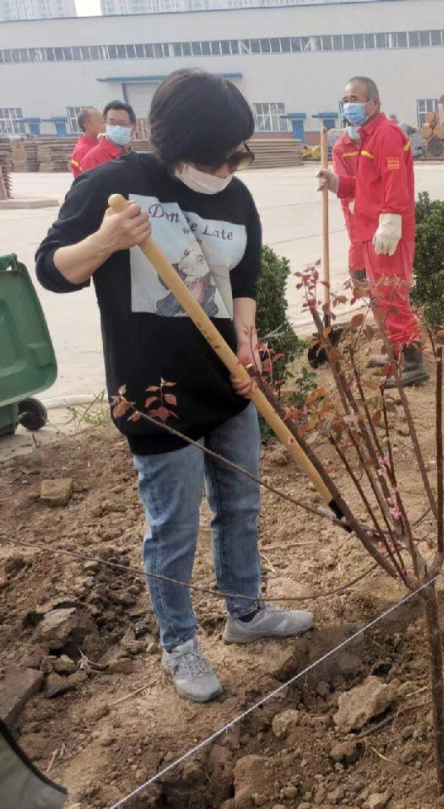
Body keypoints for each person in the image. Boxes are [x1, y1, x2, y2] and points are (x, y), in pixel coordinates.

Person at [35, 69, 315, 703]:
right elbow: (51, 270)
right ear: (184, 142)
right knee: (174, 527)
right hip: (155, 396)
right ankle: (180, 641)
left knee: (241, 507)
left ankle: (244, 614)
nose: (231, 164)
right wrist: (106, 241)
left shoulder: (235, 195)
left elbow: (245, 273)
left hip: (226, 383)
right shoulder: (112, 185)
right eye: (223, 151)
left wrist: (246, 334)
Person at [316, 76, 429, 387]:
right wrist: (336, 182)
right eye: (346, 99)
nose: (349, 105)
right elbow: (366, 186)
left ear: (374, 103)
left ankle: (413, 362)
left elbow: (396, 183)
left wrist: (391, 222)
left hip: (387, 234)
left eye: (355, 98)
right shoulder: (368, 137)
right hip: (370, 230)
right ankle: (397, 353)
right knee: (380, 297)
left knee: (392, 295)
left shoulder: (387, 135)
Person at [333, 78, 366, 283]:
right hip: (353, 204)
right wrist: (352, 201)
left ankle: (372, 276)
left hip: (373, 200)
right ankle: (357, 276)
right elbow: (342, 180)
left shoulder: (370, 141)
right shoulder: (340, 148)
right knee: (357, 240)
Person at [79, 100, 136, 174]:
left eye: (122, 123)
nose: (117, 128)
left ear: (134, 128)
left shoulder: (132, 157)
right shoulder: (93, 159)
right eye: (112, 123)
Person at [70, 107, 103, 177]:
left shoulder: (98, 144)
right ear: (87, 126)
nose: (105, 125)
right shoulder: (83, 151)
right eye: (101, 122)